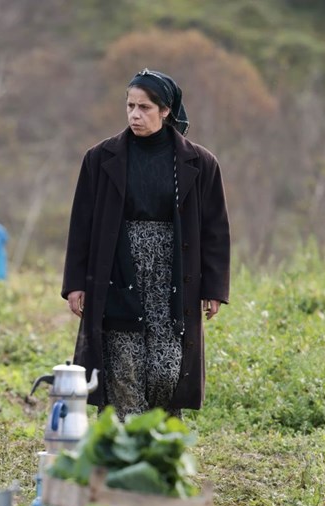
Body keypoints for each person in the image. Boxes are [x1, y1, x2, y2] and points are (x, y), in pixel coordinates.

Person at [62, 69, 230, 418]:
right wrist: (76, 284)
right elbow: (82, 226)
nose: (135, 115)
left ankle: (159, 443)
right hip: (117, 270)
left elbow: (215, 231)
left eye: (144, 108)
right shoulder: (100, 158)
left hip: (174, 276)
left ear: (166, 110)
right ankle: (123, 454)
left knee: (167, 371)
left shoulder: (200, 163)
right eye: (130, 106)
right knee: (124, 369)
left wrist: (213, 287)